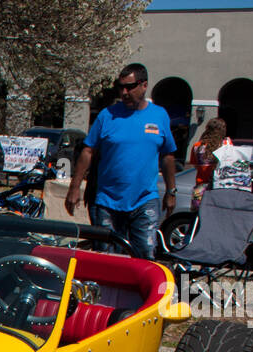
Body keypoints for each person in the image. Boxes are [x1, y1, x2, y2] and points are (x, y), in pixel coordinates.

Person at [65, 63, 176, 258]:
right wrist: (75, 187)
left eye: (129, 87)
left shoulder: (159, 116)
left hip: (145, 199)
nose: (124, 92)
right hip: (107, 201)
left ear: (144, 85)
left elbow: (168, 156)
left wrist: (171, 191)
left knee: (145, 256)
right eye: (121, 87)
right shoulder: (107, 116)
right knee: (107, 258)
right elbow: (88, 151)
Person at [188, 117, 227, 210]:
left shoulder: (197, 146)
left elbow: (196, 166)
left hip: (201, 188)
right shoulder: (226, 145)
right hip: (220, 187)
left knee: (197, 217)